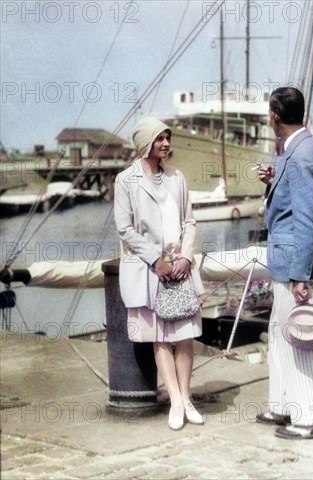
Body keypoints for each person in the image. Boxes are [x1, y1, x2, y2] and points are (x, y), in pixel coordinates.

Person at [114, 116, 205, 430]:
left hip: (179, 268)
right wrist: (156, 260)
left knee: (185, 336)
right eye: (159, 139)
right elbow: (125, 228)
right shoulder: (126, 180)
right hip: (149, 270)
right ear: (145, 144)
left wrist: (186, 258)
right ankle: (176, 403)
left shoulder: (177, 178)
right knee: (161, 338)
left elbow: (190, 222)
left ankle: (188, 397)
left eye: (167, 137)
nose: (166, 143)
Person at [256, 87, 313, 440]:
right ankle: (283, 405)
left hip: (291, 266)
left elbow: (306, 220)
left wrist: (301, 276)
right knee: (278, 333)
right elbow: (300, 201)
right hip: (288, 263)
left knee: (297, 337)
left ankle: (311, 418)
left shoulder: (299, 157)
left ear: (274, 115)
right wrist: (274, 180)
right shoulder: (310, 149)